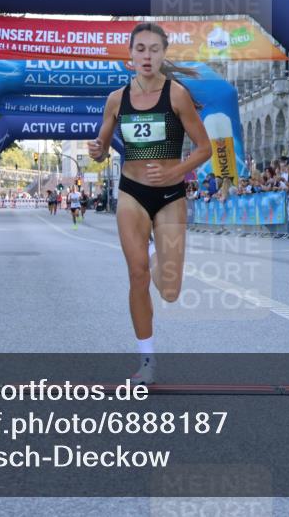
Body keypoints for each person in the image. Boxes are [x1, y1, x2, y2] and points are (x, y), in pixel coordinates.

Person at [87, 22, 212, 384]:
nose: (146, 56)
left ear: (163, 55)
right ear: (130, 55)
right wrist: (96, 150)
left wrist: (178, 173)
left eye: (154, 49)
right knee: (137, 274)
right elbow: (101, 149)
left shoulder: (176, 96)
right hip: (131, 192)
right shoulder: (116, 99)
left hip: (171, 194)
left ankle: (160, 257)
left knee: (169, 292)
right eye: (140, 49)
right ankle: (146, 362)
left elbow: (204, 148)